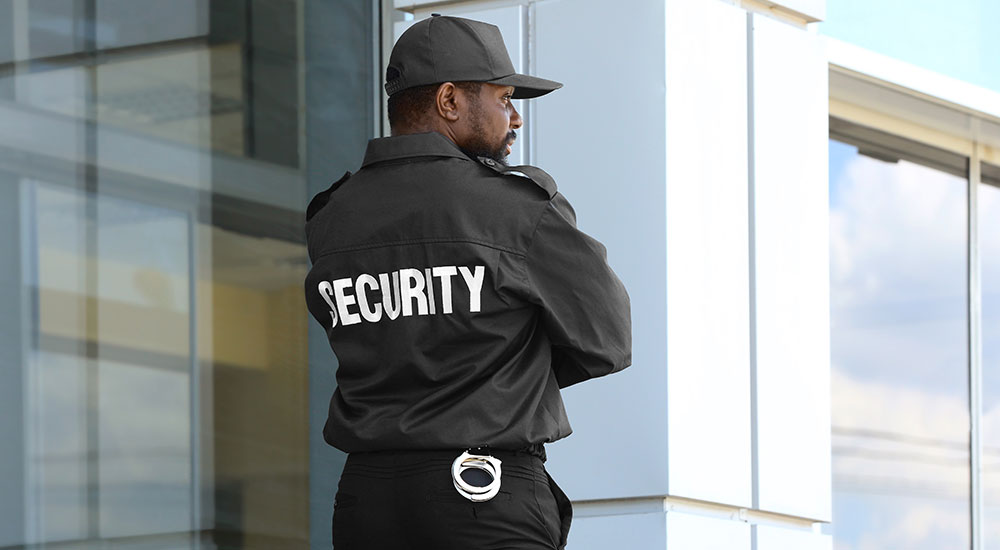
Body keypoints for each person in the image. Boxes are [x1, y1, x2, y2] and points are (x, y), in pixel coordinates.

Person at [303, 13, 631, 550]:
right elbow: (608, 339)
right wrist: (499, 376)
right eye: (504, 99)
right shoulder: (513, 207)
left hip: (365, 504)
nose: (516, 119)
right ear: (450, 101)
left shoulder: (331, 216)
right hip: (480, 494)